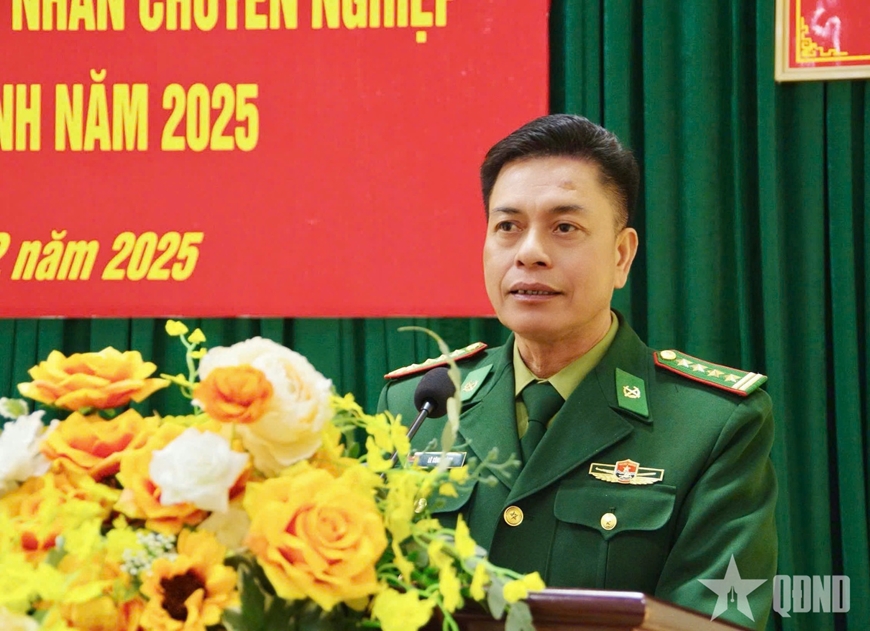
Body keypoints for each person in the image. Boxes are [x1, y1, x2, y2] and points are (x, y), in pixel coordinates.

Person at [378, 114, 777, 629]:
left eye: (564, 228)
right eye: (507, 227)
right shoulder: (419, 405)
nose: (530, 253)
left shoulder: (713, 424)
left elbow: (716, 621)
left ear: (621, 255)